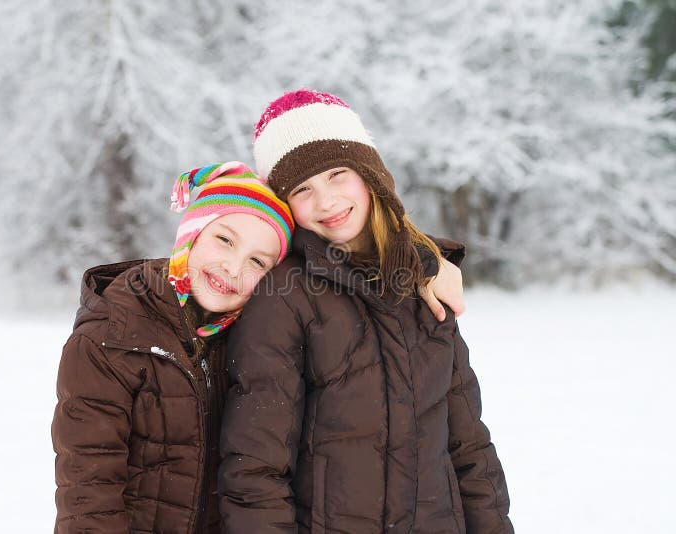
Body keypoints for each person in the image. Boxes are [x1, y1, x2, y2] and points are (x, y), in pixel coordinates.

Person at [52, 161, 463, 533]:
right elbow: (88, 489)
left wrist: (429, 266)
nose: (233, 268)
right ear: (192, 234)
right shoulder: (113, 334)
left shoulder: (255, 332)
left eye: (258, 262)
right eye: (225, 240)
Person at [218, 90, 514, 533]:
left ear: (369, 174)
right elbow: (255, 469)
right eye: (303, 188)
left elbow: (468, 447)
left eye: (338, 174)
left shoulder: (424, 285)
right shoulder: (283, 298)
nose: (326, 201)